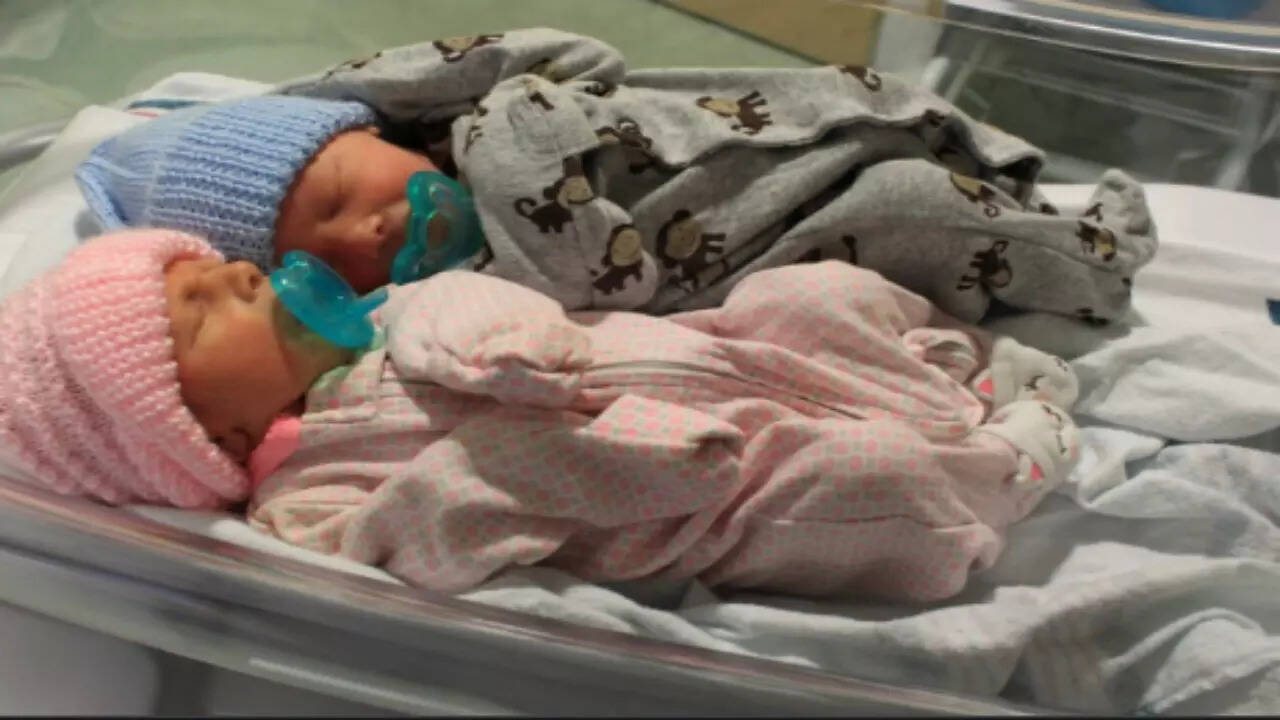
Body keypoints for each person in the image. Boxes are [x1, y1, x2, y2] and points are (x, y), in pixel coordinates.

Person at [0, 228, 1081, 601]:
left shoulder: (391, 317)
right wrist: (537, 459)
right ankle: (999, 472)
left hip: (715, 353)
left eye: (209, 266)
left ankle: (960, 374)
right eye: (198, 310)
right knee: (864, 481)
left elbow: (470, 299)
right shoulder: (300, 499)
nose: (240, 271)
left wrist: (490, 335)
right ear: (198, 432)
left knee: (807, 294)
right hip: (707, 489)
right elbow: (427, 531)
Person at [75, 28, 1157, 324]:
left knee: (871, 97)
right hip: (788, 224)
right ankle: (1093, 261)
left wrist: (483, 93)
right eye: (322, 254)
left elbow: (588, 58)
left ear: (378, 127)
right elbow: (603, 279)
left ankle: (1013, 175)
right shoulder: (452, 296)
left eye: (337, 196)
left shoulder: (477, 118)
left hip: (735, 126)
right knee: (916, 208)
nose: (363, 233)